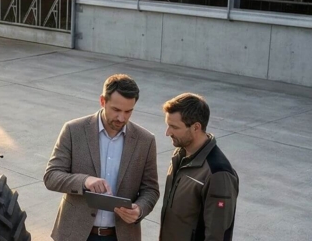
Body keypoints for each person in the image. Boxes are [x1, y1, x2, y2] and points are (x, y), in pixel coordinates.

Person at [44, 74, 159, 241]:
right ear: (102, 101)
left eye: (128, 111)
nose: (122, 118)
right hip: (75, 234)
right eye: (116, 110)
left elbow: (151, 190)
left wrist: (139, 210)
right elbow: (51, 176)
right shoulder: (73, 130)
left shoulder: (145, 140)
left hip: (121, 236)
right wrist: (85, 181)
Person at [159, 93, 239, 241]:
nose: (167, 132)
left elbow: (217, 235)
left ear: (196, 127)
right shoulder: (180, 155)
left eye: (174, 127)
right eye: (168, 125)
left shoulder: (218, 174)